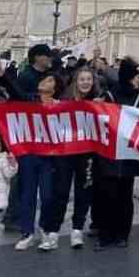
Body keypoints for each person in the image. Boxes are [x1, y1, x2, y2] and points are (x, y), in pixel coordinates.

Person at [93, 59, 139, 250]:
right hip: (108, 154)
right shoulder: (109, 96)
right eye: (137, 77)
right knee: (106, 195)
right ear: (128, 77)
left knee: (125, 195)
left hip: (128, 154)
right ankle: (105, 234)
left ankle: (122, 234)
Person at [45, 66, 98, 249]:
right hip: (65, 153)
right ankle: (53, 232)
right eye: (82, 79)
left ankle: (77, 230)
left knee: (83, 192)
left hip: (87, 154)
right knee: (60, 191)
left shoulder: (98, 101)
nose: (85, 83)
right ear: (76, 81)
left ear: (93, 82)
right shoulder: (64, 100)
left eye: (89, 79)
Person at [15, 73, 62, 250]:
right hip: (28, 155)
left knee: (48, 196)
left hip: (49, 158)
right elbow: (13, 91)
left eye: (51, 79)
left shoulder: (60, 106)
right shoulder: (28, 100)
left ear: (55, 87)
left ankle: (44, 227)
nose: (46, 81)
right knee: (27, 194)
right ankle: (27, 232)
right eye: (44, 79)